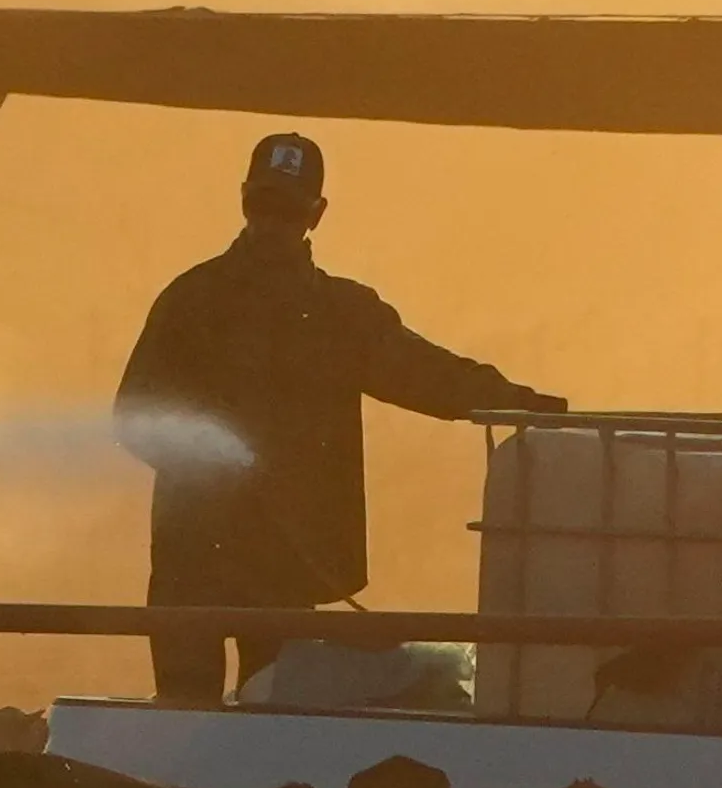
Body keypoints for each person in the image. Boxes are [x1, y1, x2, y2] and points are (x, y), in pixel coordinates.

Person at [114, 132, 564, 705]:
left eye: (290, 209)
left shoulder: (341, 315)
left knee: (274, 709)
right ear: (244, 199)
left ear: (315, 215)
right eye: (264, 204)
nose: (275, 221)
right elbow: (133, 414)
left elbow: (429, 374)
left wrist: (522, 404)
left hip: (283, 568)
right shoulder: (189, 301)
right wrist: (207, 463)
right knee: (183, 710)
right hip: (192, 563)